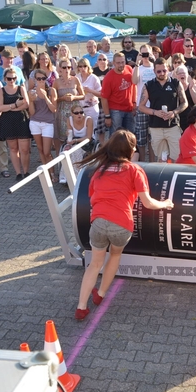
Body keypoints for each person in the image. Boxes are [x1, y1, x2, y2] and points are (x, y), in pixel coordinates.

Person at [74, 130, 173, 320]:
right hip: (122, 224)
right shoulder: (134, 170)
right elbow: (148, 203)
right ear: (129, 150)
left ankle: (81, 307)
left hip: (98, 223)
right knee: (115, 255)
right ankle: (100, 294)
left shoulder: (99, 170)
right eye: (134, 146)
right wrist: (166, 204)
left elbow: (92, 196)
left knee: (94, 264)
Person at [139, 57, 186, 162]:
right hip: (156, 126)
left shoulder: (176, 83)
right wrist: (155, 112)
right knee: (161, 159)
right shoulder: (148, 85)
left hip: (173, 125)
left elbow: (184, 103)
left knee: (177, 157)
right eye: (159, 71)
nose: (162, 73)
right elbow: (141, 106)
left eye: (164, 70)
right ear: (154, 71)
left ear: (168, 69)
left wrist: (174, 112)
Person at [0, 67, 32, 181]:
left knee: (24, 149)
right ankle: (18, 173)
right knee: (13, 148)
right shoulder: (1, 91)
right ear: (4, 79)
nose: (11, 80)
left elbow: (26, 104)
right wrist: (15, 105)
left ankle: (26, 171)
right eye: (9, 78)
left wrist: (11, 108)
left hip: (21, 119)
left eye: (14, 78)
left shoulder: (21, 88)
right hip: (8, 121)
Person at [28, 69, 58, 175]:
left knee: (47, 151)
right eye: (38, 78)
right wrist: (31, 101)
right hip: (35, 122)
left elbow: (54, 109)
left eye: (43, 78)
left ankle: (52, 173)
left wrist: (45, 96)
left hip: (48, 123)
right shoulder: (31, 92)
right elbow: (31, 112)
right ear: (35, 80)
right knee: (40, 150)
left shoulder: (51, 91)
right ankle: (46, 173)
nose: (41, 81)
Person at [100, 52, 136, 142]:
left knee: (130, 136)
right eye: (118, 63)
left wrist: (134, 103)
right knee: (116, 137)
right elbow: (104, 98)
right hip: (116, 110)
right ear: (113, 63)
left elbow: (133, 86)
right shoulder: (108, 77)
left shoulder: (129, 69)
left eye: (122, 62)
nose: (121, 65)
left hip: (129, 108)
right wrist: (107, 116)